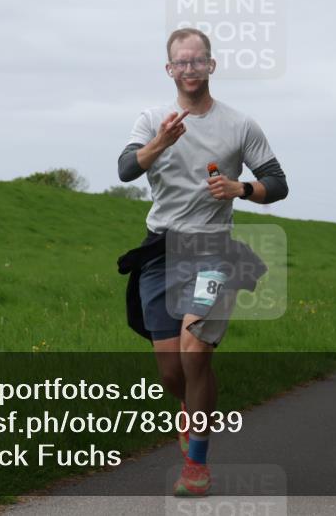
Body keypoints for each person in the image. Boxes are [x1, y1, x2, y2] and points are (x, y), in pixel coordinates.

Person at [116, 28, 289, 496]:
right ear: (169, 70)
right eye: (181, 63)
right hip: (160, 250)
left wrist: (241, 189)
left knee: (196, 352)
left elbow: (277, 182)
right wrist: (161, 143)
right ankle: (191, 411)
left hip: (213, 251)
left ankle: (197, 462)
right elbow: (127, 167)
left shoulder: (239, 125)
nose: (190, 69)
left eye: (198, 61)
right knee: (172, 371)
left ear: (212, 65)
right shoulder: (154, 119)